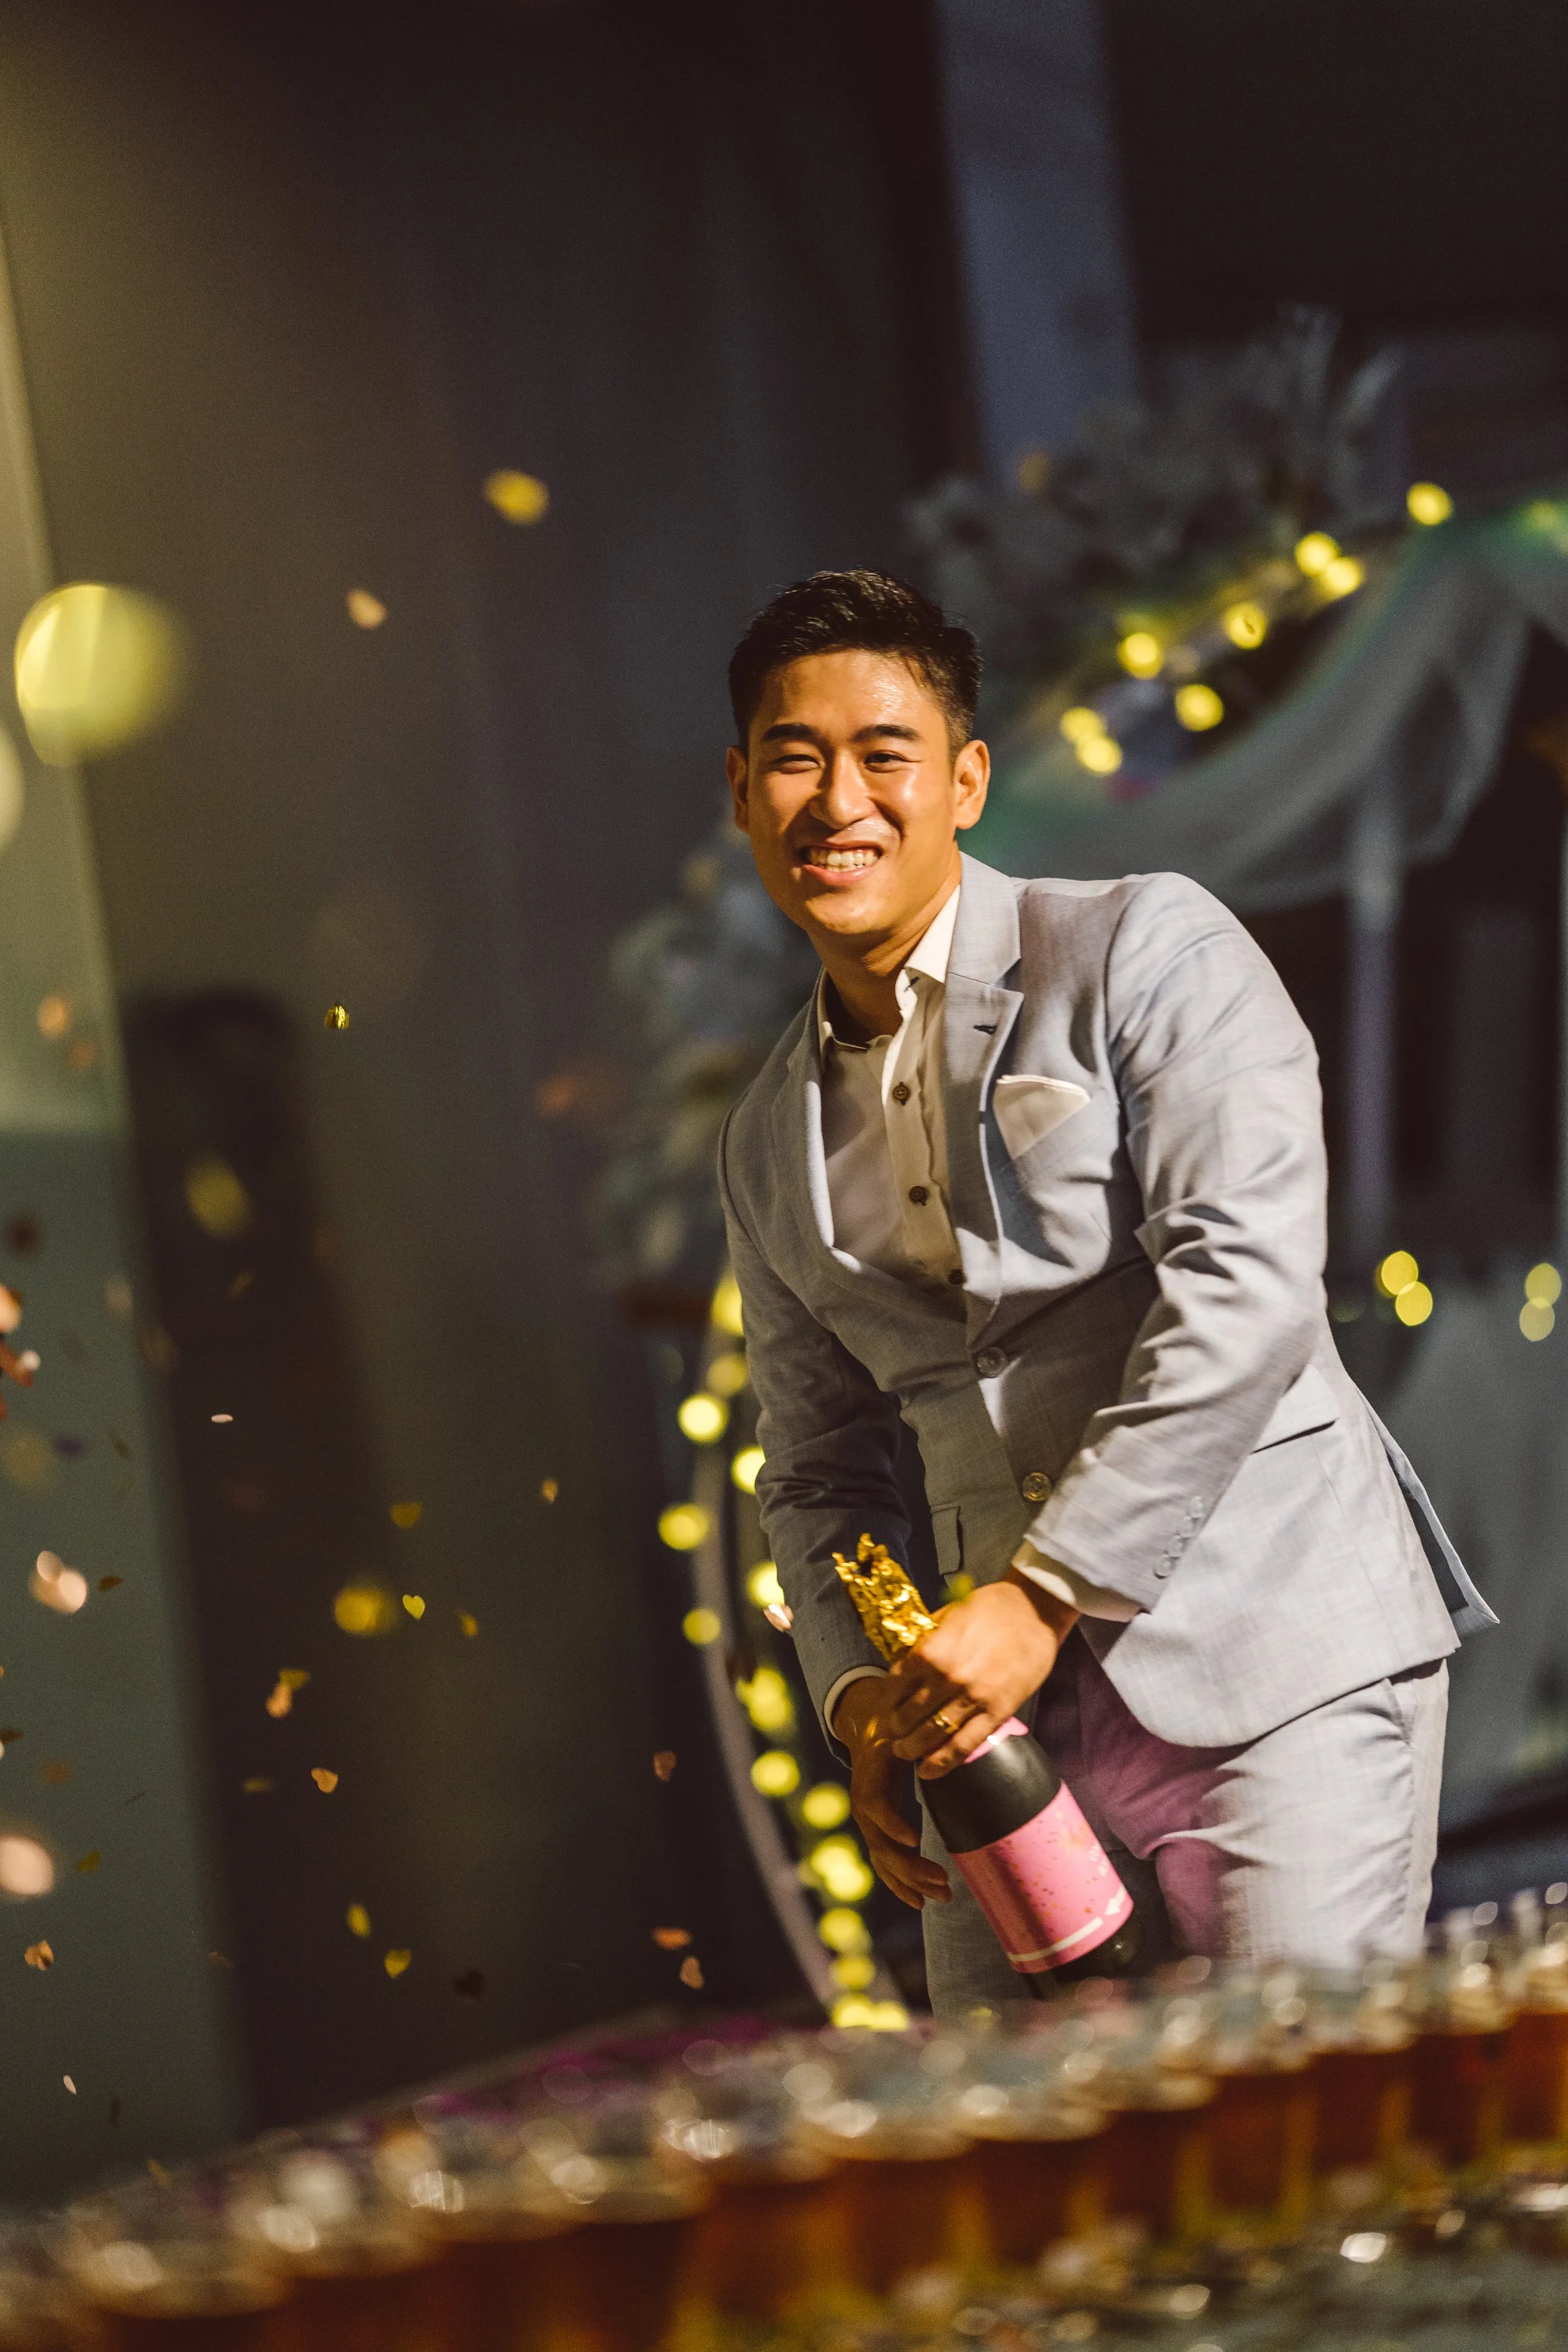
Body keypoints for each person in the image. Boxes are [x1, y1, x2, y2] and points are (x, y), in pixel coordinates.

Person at [716, 568, 1494, 2016]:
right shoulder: (760, 1137)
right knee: (1028, 2181)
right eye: (793, 758)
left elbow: (1248, 1286)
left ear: (963, 780)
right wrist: (852, 1698)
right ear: (742, 791)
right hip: (994, 1743)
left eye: (882, 756)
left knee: (1292, 2155)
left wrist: (1041, 1589)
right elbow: (813, 1468)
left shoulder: (1146, 944)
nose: (838, 801)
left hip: (1275, 1658)